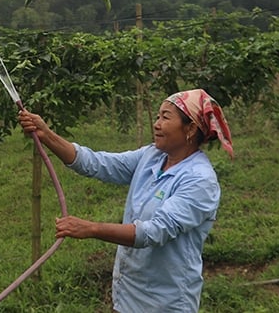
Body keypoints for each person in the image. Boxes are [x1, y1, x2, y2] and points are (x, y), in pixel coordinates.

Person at [18, 89, 234, 313]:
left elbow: (154, 232)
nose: (157, 124)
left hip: (164, 303)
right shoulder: (152, 156)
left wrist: (91, 228)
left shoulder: (199, 181)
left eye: (166, 117)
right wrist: (46, 134)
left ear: (190, 128)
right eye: (158, 116)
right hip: (127, 295)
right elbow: (97, 163)